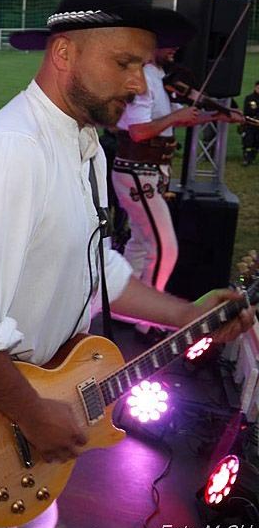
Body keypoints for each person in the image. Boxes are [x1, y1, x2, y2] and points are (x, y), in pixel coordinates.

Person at [0, 0, 255, 528]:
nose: (139, 83)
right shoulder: (13, 151)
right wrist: (34, 413)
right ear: (64, 53)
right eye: (124, 63)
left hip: (28, 392)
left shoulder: (85, 144)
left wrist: (189, 314)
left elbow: (97, 269)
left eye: (143, 66)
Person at [111, 44, 231, 339]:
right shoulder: (142, 79)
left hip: (149, 172)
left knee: (141, 242)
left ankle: (119, 307)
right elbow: (138, 131)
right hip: (137, 171)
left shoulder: (159, 78)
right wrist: (176, 118)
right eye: (170, 42)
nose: (176, 48)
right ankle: (147, 321)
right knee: (165, 247)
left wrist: (216, 117)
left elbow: (174, 119)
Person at [240, 80, 259, 165]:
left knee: (257, 141)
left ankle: (252, 157)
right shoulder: (249, 98)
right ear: (255, 87)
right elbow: (247, 112)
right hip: (250, 124)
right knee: (248, 140)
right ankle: (246, 158)